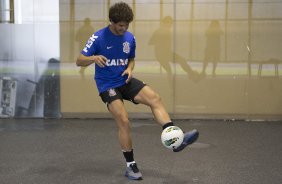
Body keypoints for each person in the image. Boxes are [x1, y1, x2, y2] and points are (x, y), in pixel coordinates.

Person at [76, 2, 199, 181]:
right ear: (111, 21)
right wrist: (93, 58)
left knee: (155, 98)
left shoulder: (129, 38)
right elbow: (79, 60)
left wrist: (130, 69)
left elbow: (131, 59)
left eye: (126, 25)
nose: (123, 28)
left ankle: (175, 140)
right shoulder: (98, 37)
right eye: (120, 25)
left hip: (124, 79)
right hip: (107, 85)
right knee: (124, 120)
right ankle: (131, 166)